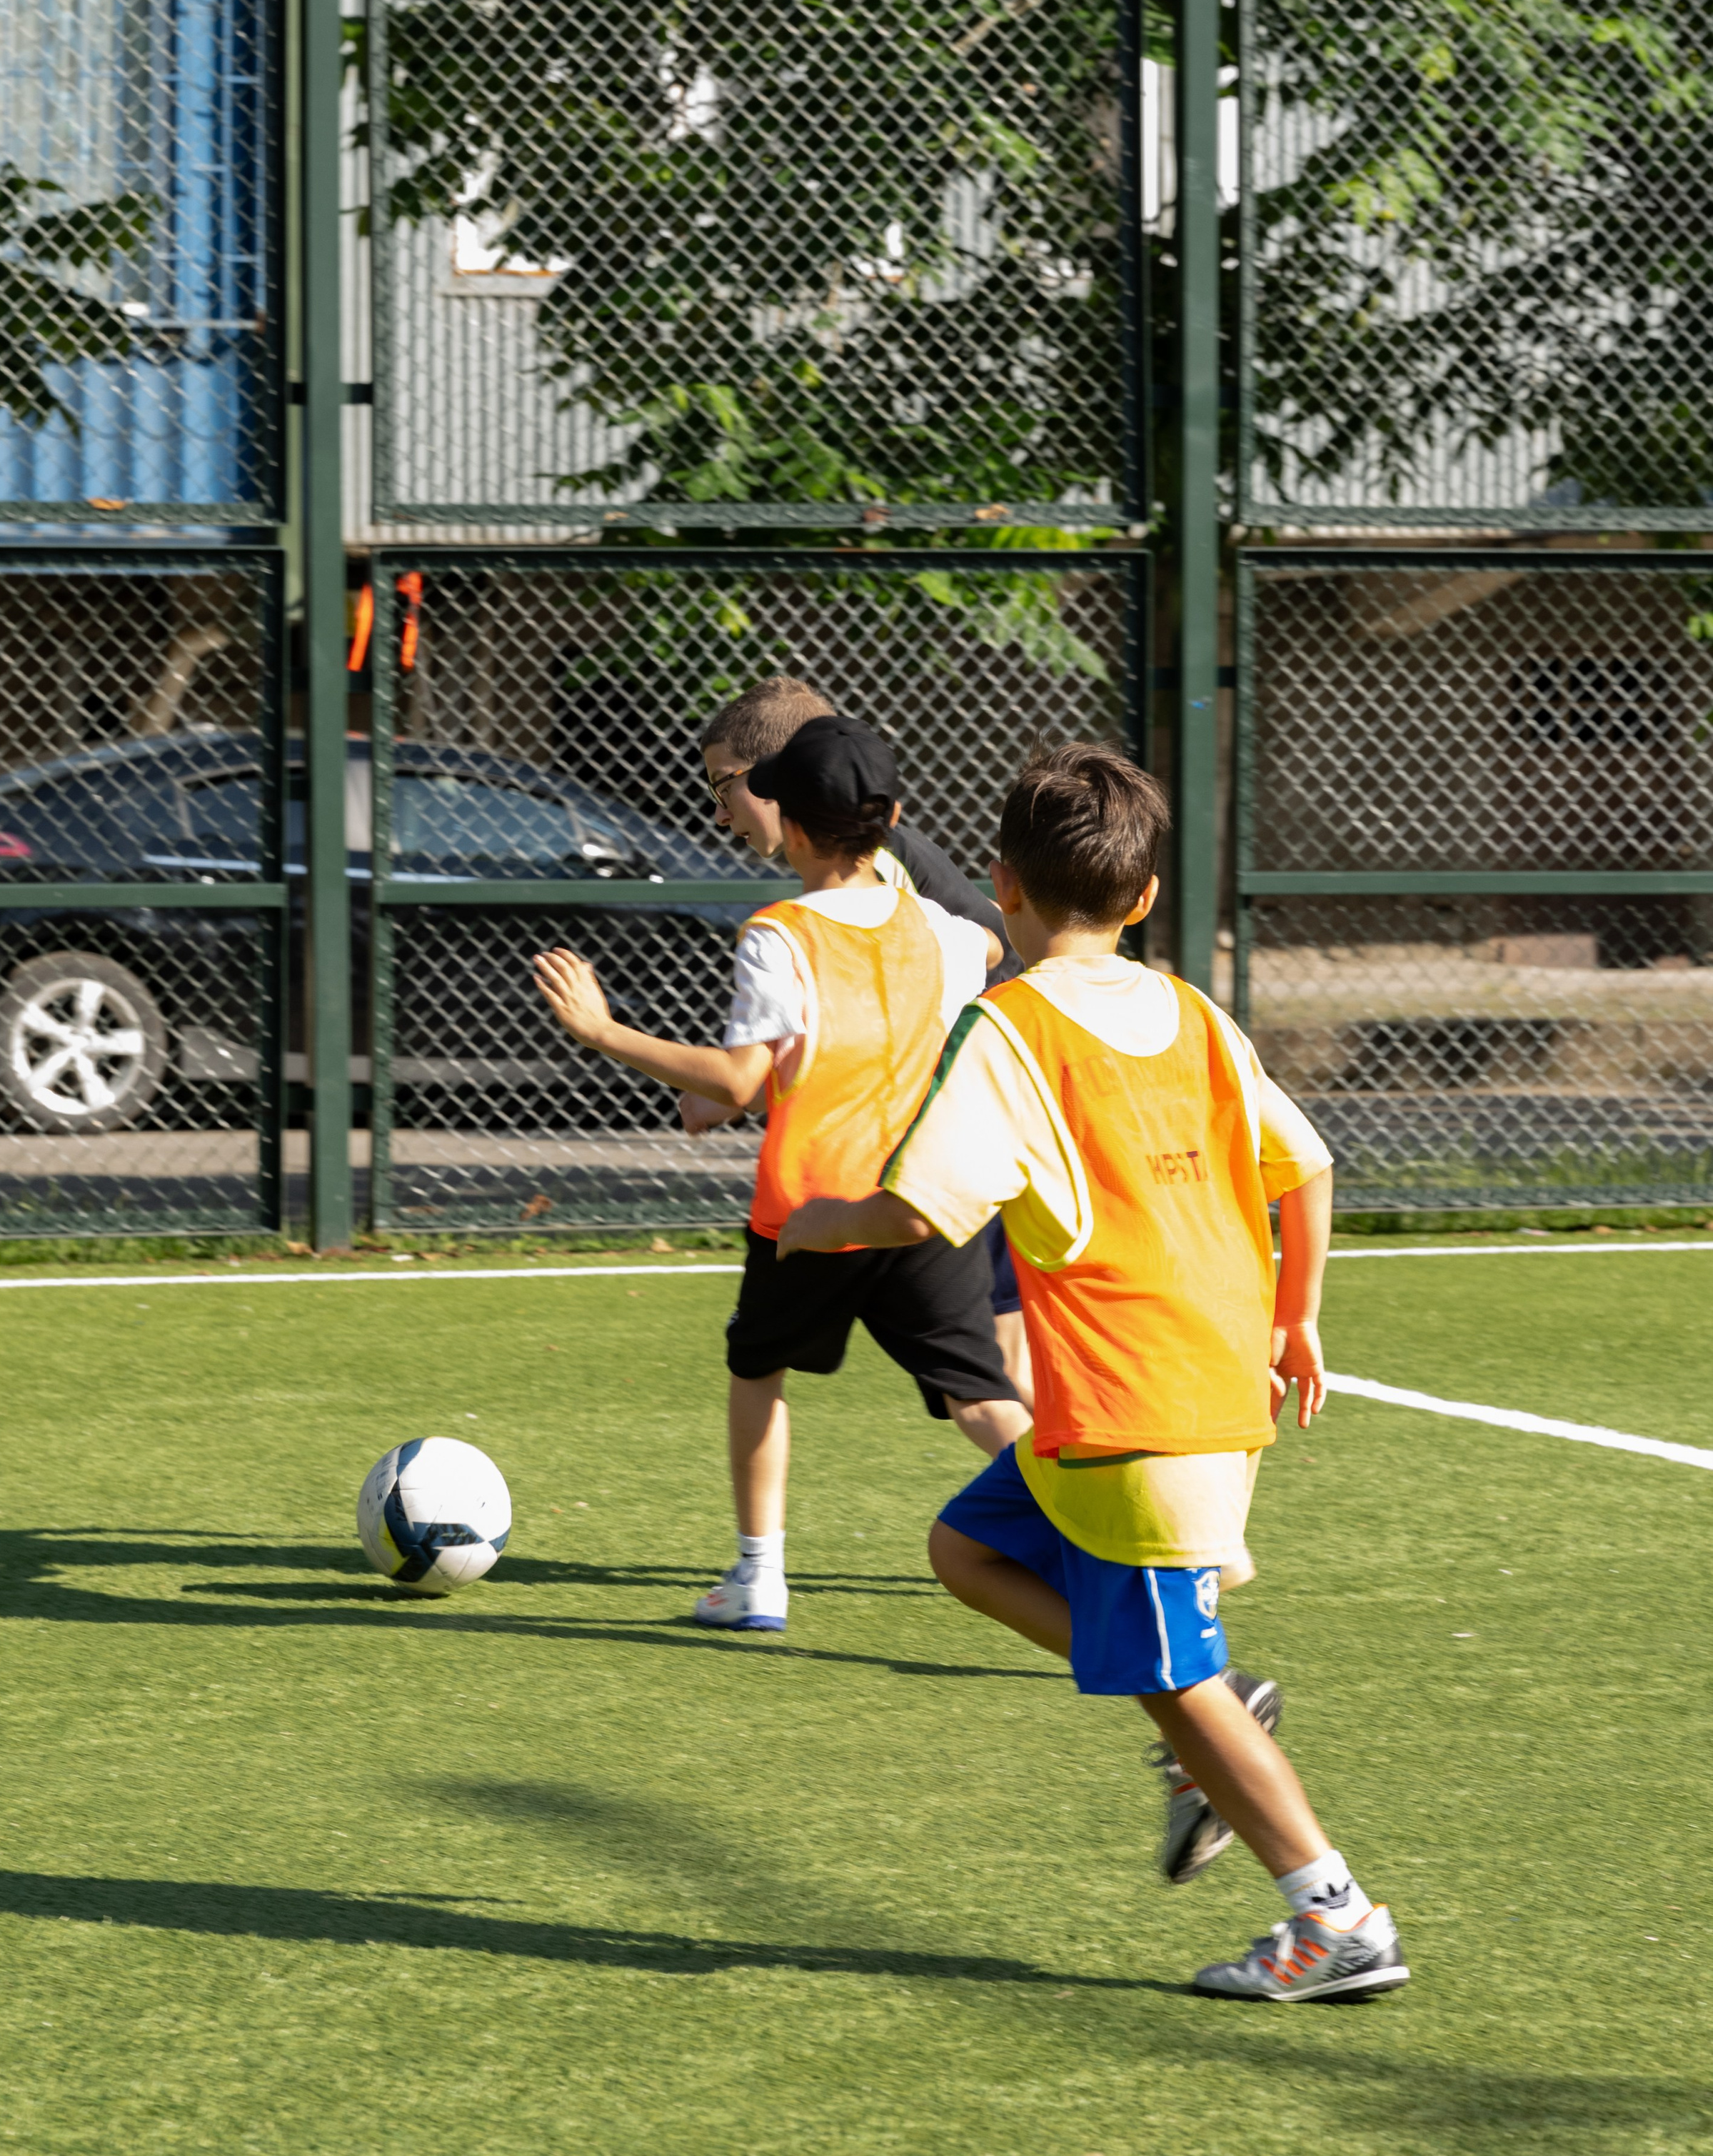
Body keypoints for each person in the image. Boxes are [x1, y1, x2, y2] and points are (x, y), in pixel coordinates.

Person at [778, 741, 1408, 2002]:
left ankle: (1334, 1916)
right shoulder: (1196, 1013)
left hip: (1140, 1420)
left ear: (998, 886)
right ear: (1145, 898)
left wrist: (822, 1220)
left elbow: (919, 1210)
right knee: (968, 1549)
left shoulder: (1009, 1029)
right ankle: (1208, 1717)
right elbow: (1314, 1163)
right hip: (1163, 1399)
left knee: (1176, 1681)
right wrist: (1299, 1320)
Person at [533, 713, 1031, 1635]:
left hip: (811, 1209)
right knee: (981, 1396)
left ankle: (758, 1575)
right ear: (888, 821)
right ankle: (1083, 1533)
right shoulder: (940, 927)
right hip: (923, 1200)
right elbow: (992, 954)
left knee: (758, 1371)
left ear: (791, 826)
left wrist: (602, 1030)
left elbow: (743, 1081)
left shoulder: (777, 934)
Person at [695, 676, 1035, 1414]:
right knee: (992, 1385)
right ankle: (1060, 1511)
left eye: (725, 786)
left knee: (1000, 1378)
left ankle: (1080, 1513)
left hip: (968, 1126)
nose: (720, 815)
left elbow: (984, 957)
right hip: (955, 1131)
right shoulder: (856, 870)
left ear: (786, 776)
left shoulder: (874, 873)